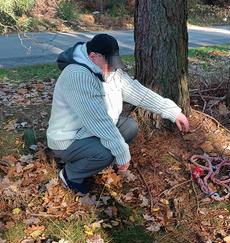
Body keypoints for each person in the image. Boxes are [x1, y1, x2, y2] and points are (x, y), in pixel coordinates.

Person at [47, 34, 189, 195]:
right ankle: (71, 175)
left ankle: (96, 159)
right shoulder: (77, 76)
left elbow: (138, 93)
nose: (112, 69)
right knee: (107, 153)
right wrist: (122, 153)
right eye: (108, 63)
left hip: (88, 130)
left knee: (129, 127)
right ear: (93, 56)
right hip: (68, 138)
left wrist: (173, 111)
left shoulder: (110, 71)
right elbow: (98, 122)